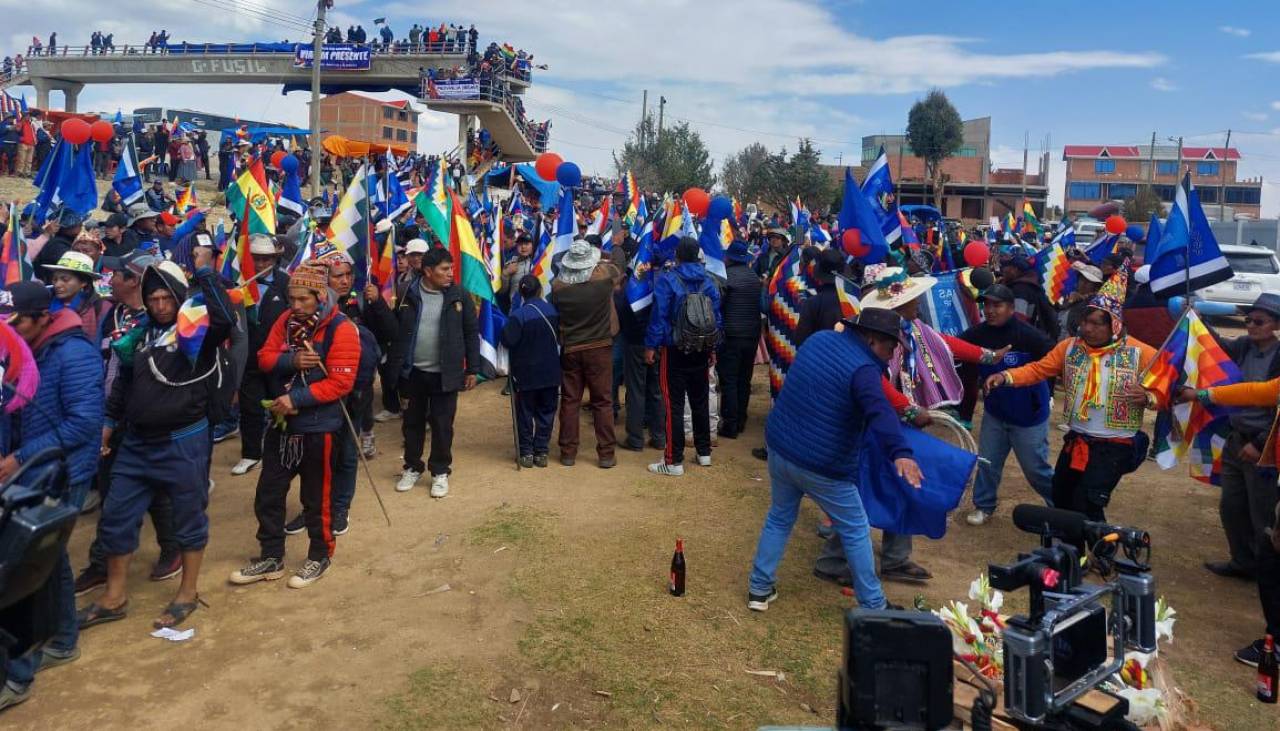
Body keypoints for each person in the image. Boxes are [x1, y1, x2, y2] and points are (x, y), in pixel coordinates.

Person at [81, 256, 234, 631]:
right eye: (154, 299)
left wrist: (205, 271)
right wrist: (107, 425)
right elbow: (122, 387)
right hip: (136, 444)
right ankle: (114, 596)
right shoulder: (139, 336)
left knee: (188, 516)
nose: (160, 306)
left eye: (167, 298)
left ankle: (187, 592)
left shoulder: (197, 333)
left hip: (184, 443)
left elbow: (226, 318)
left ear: (180, 299)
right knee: (116, 516)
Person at [747, 307, 923, 613]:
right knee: (855, 528)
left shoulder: (820, 340)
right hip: (822, 463)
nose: (891, 354)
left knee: (779, 517)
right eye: (890, 347)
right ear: (871, 339)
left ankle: (759, 589)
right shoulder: (865, 370)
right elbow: (880, 412)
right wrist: (902, 453)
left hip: (780, 447)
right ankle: (874, 605)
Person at [986, 272, 1157, 551]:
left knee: (1088, 502)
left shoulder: (1141, 354)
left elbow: (1171, 387)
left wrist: (1150, 396)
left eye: (1094, 323)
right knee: (1062, 496)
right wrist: (1007, 376)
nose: (1086, 328)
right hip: (1077, 439)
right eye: (1084, 321)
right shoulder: (1070, 348)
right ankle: (1071, 555)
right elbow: (1039, 369)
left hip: (1114, 446)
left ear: (1114, 325)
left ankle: (1105, 552)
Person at [0, 282, 103, 712]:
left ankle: (26, 666)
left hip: (60, 473)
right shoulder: (24, 345)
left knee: (29, 567)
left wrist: (18, 457)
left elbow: (84, 423)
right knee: (48, 562)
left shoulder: (73, 354)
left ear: (42, 316)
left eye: (17, 321)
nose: (10, 329)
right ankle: (61, 638)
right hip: (29, 471)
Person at [229, 260, 358, 589]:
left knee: (317, 499)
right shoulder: (285, 322)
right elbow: (264, 357)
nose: (295, 306)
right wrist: (292, 360)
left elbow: (341, 384)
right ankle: (271, 555)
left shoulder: (341, 328)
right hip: (283, 424)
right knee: (269, 493)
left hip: (320, 427)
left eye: (303, 299)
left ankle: (320, 555)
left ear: (319, 295)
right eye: (291, 299)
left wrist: (296, 399)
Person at [959, 284, 1056, 525]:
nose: (990, 310)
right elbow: (957, 356)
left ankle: (1061, 506)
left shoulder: (1029, 335)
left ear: (1011, 308)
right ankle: (984, 505)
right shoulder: (976, 334)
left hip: (1029, 416)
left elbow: (1053, 362)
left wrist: (1049, 394)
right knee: (988, 463)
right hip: (995, 413)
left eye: (997, 305)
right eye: (986, 305)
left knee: (1036, 470)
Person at [389, 247, 480, 496]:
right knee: (412, 423)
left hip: (445, 373)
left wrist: (472, 368)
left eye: (450, 268)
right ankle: (412, 466)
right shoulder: (408, 292)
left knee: (442, 424)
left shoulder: (459, 295)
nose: (450, 273)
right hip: (413, 373)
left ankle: (440, 471)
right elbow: (396, 330)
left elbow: (471, 332)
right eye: (444, 269)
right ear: (428, 271)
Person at [1201, 293, 1280, 580]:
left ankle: (1268, 570)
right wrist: (1197, 320)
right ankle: (1243, 562)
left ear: (1275, 325)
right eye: (1248, 320)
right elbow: (1217, 347)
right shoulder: (1245, 346)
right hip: (1236, 439)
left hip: (1264, 446)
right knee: (1231, 506)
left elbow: (1277, 410)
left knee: (1263, 513)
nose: (1251, 325)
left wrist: (1259, 444)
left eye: (1259, 321)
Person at [645, 237, 722, 476]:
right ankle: (704, 452)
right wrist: (713, 348)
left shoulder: (668, 280)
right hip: (701, 348)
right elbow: (716, 318)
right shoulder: (709, 281)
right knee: (700, 400)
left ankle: (673, 460)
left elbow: (659, 316)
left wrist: (651, 345)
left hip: (675, 348)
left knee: (673, 404)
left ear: (677, 256)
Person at [548, 239, 621, 468]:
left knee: (570, 401)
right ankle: (606, 453)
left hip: (571, 348)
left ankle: (568, 452)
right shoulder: (603, 281)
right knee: (603, 401)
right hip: (599, 347)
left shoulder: (559, 288)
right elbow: (617, 270)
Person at [231, 235, 291, 476]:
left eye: (266, 259)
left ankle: (284, 449)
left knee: (281, 405)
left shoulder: (285, 283)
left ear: (275, 260)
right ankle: (251, 454)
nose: (261, 264)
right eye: (256, 259)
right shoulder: (239, 282)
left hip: (278, 358)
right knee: (250, 408)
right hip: (249, 357)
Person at [501, 275, 561, 467]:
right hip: (550, 370)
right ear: (540, 290)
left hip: (526, 372)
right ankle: (541, 452)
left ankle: (526, 452)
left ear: (521, 292)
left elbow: (508, 340)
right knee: (547, 411)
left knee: (525, 412)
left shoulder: (519, 315)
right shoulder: (552, 310)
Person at [716, 240, 762, 439]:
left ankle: (730, 424)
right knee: (744, 380)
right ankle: (741, 420)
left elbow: (719, 306)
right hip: (751, 336)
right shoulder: (754, 278)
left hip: (732, 335)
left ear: (729, 258)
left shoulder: (727, 278)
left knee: (729, 381)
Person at [42, 251, 112, 342]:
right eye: (55, 279)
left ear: (83, 282)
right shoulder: (45, 303)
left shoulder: (100, 307)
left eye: (65, 279)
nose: (57, 284)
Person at [1000, 252, 1060, 340]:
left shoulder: (1020, 289)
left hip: (1025, 340)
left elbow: (1018, 319)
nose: (1003, 270)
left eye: (1006, 267)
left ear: (1015, 269)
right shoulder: (1032, 283)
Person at [1061, 261, 1103, 337]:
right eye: (1082, 279)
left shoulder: (1092, 305)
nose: (1083, 284)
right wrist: (1070, 302)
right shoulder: (1072, 296)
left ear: (1096, 287)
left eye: (1088, 282)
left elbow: (1074, 327)